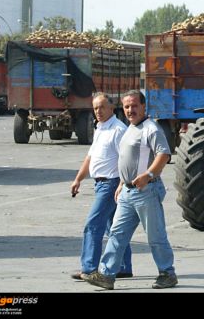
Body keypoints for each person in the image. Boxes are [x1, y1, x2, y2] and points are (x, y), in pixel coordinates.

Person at [83, 90, 177, 290]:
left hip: (146, 191)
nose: (130, 110)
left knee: (155, 235)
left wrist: (149, 175)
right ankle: (107, 275)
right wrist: (120, 184)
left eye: (134, 106)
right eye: (126, 106)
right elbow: (126, 160)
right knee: (117, 233)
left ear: (144, 106)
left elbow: (164, 155)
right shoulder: (130, 128)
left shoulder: (151, 128)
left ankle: (167, 273)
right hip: (127, 192)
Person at [70, 93, 132, 280]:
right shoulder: (100, 128)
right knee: (115, 228)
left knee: (93, 225)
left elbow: (126, 160)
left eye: (102, 107)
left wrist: (121, 184)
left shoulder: (118, 130)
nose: (98, 111)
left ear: (112, 108)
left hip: (111, 185)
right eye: (95, 108)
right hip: (100, 184)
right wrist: (78, 179)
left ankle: (89, 269)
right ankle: (123, 266)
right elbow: (90, 157)